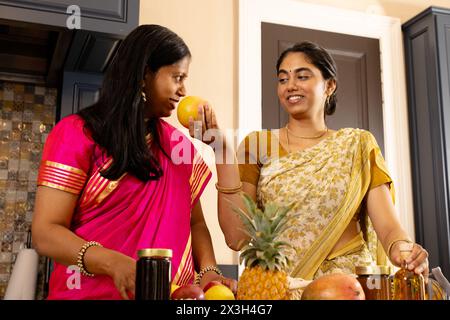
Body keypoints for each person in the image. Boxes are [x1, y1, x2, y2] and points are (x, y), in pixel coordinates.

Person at [193, 41, 429, 299]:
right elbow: (236, 237)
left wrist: (405, 251)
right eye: (283, 79)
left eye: (302, 76)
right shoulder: (257, 144)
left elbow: (388, 228)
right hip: (278, 288)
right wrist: (222, 154)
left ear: (329, 85)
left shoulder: (358, 145)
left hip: (345, 289)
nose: (290, 85)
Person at [31, 24, 236, 300]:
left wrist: (209, 270)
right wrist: (112, 262)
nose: (183, 90)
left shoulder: (177, 145)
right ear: (143, 75)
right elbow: (46, 232)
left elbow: (196, 223)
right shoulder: (77, 134)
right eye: (177, 77)